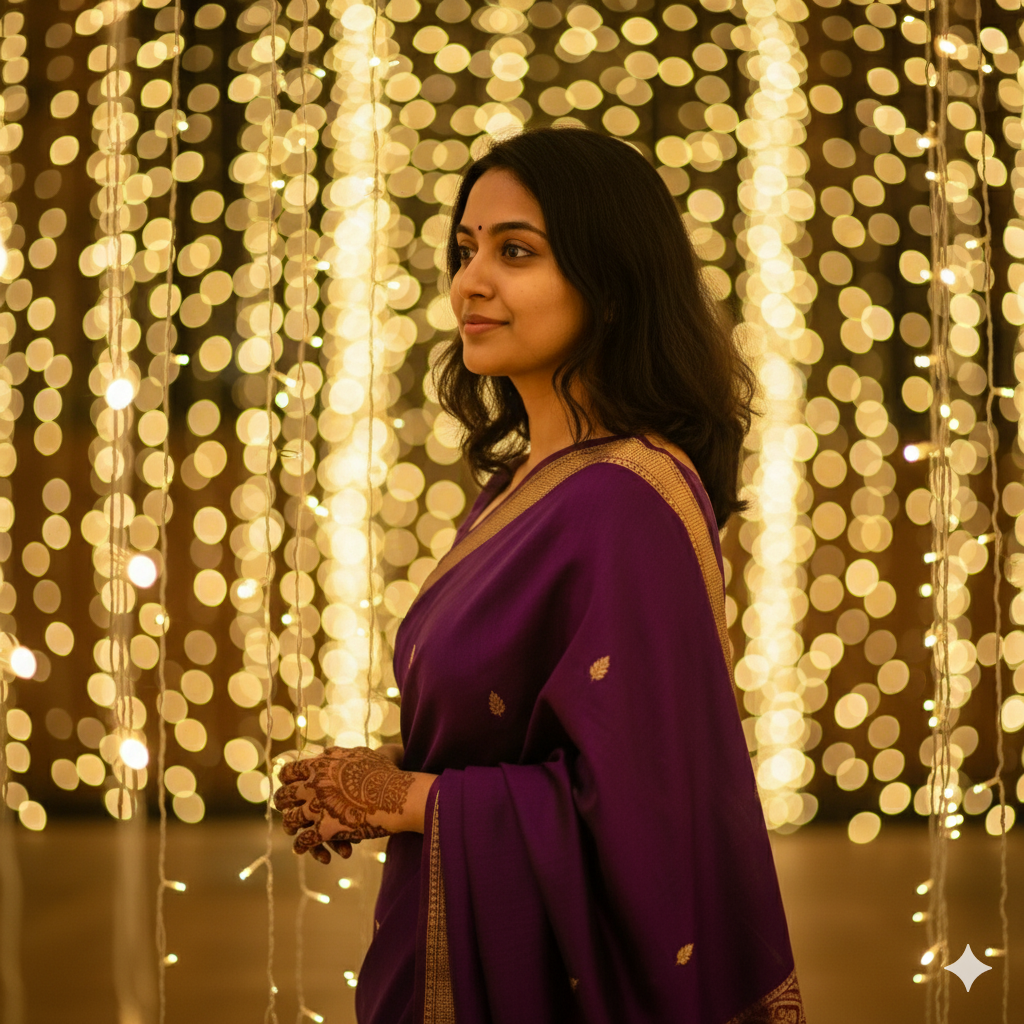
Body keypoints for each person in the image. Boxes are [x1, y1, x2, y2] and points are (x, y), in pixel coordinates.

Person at [274, 126, 807, 1024]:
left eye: (516, 252)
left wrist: (400, 798)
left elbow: (643, 807)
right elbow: (520, 734)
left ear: (611, 281)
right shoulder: (521, 484)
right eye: (464, 249)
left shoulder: (624, 498)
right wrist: (374, 776)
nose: (471, 281)